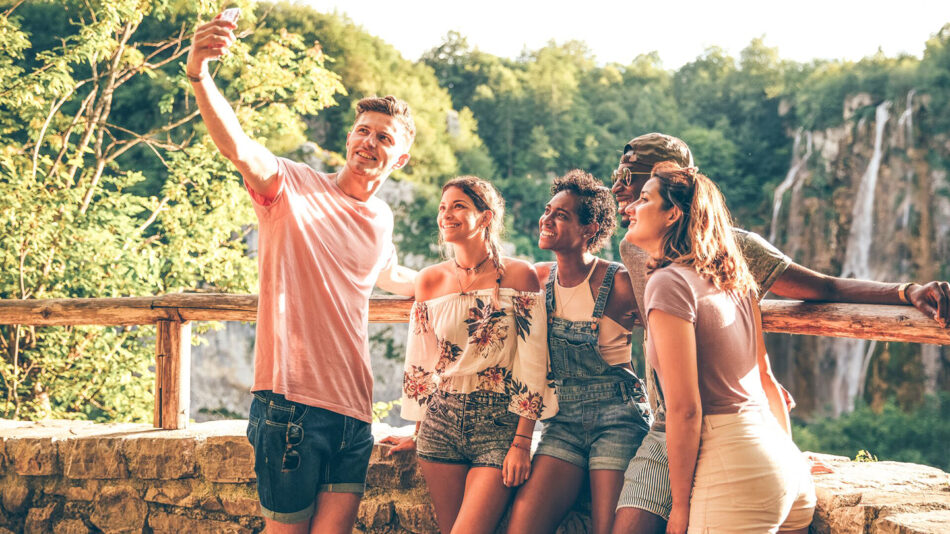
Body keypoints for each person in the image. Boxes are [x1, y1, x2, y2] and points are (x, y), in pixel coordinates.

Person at [611, 133, 950, 534]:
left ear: (674, 195)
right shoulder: (634, 249)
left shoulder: (732, 253)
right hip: (678, 430)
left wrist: (904, 292)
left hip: (722, 439)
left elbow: (824, 288)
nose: (619, 187)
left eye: (630, 176)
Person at [187, 14, 416, 534]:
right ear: (349, 137)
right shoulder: (291, 185)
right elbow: (238, 146)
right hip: (289, 406)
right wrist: (200, 72)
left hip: (355, 413)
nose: (369, 142)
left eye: (384, 137)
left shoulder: (382, 218)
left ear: (399, 157)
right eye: (363, 131)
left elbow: (393, 275)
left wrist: (476, 275)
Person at [628, 161, 814, 533]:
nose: (630, 208)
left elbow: (684, 409)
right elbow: (765, 381)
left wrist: (679, 508)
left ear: (672, 214)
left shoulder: (668, 284)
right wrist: (786, 458)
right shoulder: (735, 279)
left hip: (735, 473)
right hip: (784, 467)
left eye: (644, 200)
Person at [382, 176, 557, 534]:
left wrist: (523, 442)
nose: (446, 215)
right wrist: (417, 429)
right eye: (443, 207)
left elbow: (534, 363)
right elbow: (423, 362)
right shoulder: (429, 280)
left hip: (499, 425)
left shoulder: (519, 275)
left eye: (459, 206)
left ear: (486, 217)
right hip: (440, 423)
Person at [505, 170, 651, 534]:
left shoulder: (619, 283)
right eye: (548, 210)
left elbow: (667, 332)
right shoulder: (538, 279)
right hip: (562, 421)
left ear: (591, 228)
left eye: (561, 215)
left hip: (618, 418)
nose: (547, 219)